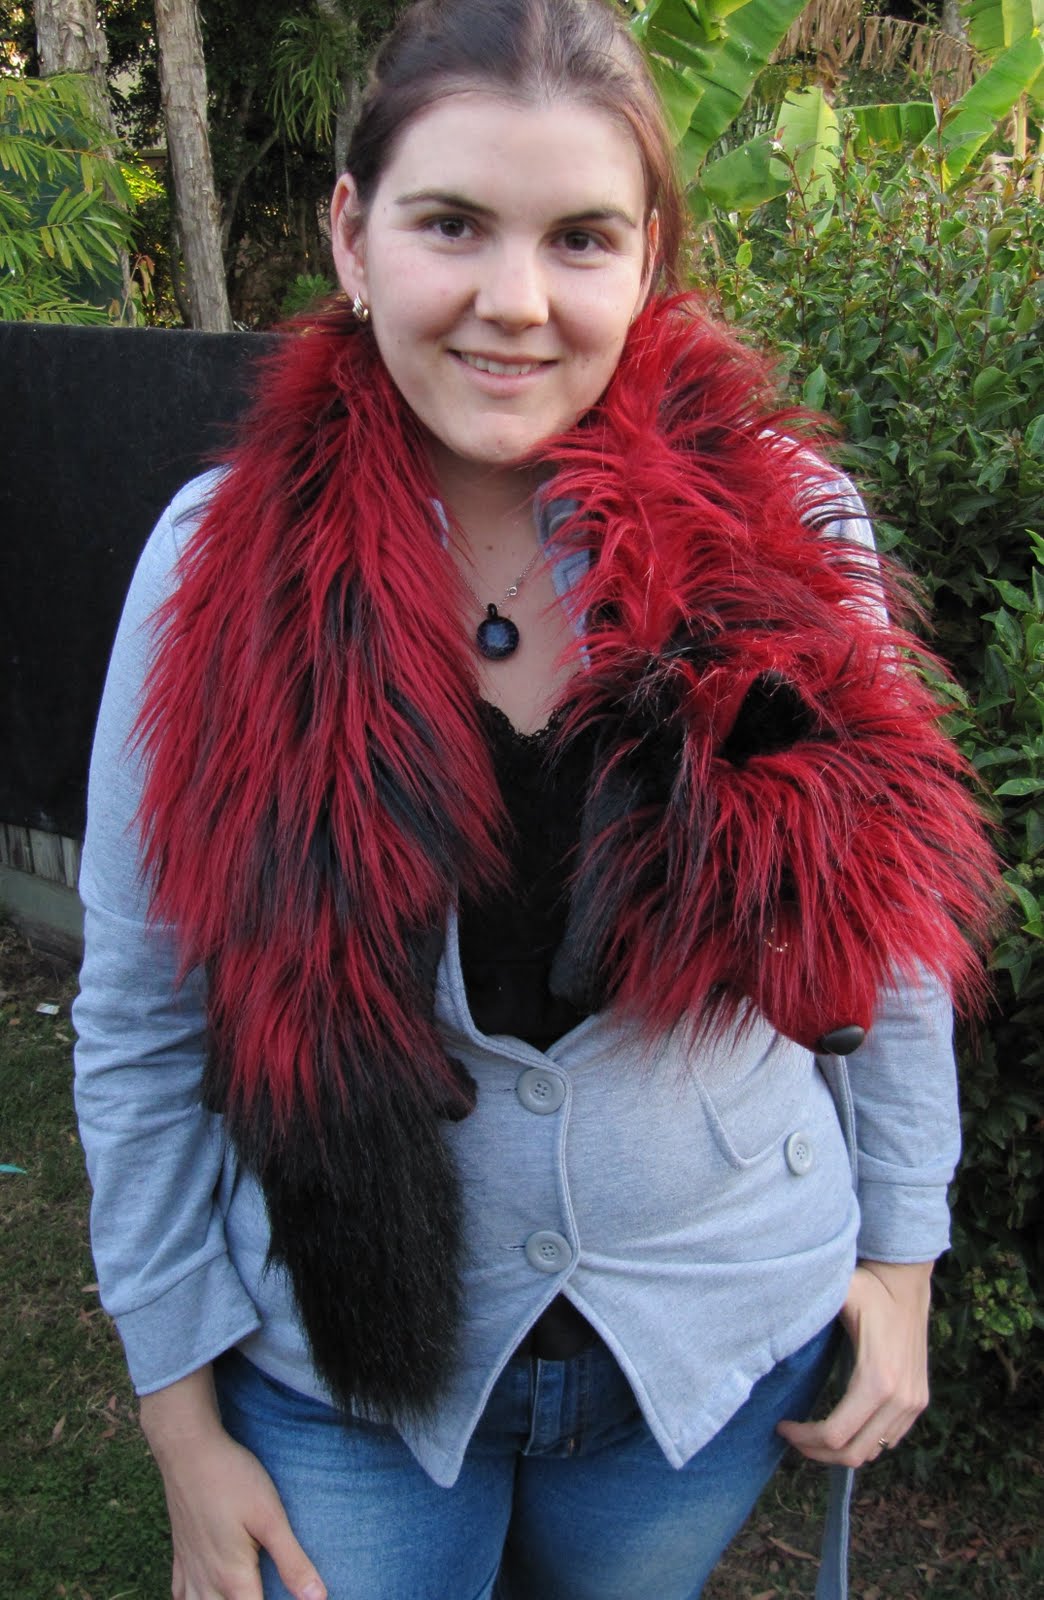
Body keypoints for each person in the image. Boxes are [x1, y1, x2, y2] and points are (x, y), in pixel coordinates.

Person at [72, 2, 999, 1598]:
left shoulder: (793, 529)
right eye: (452, 224)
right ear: (353, 237)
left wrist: (902, 1255)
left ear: (649, 260)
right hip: (343, 1369)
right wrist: (179, 1419)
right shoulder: (211, 565)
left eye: (580, 238)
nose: (515, 301)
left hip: (703, 1357)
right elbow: (142, 1015)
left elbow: (887, 941)